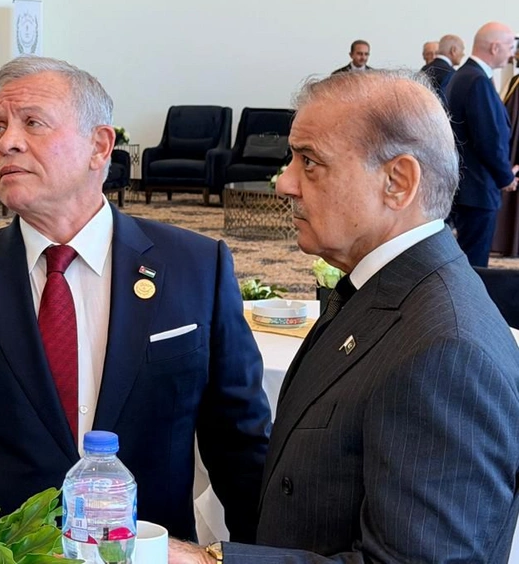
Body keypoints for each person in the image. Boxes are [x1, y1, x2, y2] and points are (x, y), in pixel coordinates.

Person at [0, 56, 272, 543]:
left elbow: (240, 447)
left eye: (33, 123)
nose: (7, 142)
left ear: (99, 146)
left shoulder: (196, 267)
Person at [170, 70, 519, 563]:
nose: (284, 182)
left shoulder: (447, 350)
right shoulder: (382, 286)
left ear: (397, 182)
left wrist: (207, 560)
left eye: (310, 162)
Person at [445, 21, 518, 267]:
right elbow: (488, 139)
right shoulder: (476, 80)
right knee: (475, 265)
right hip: (477, 190)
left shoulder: (465, 75)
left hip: (469, 187)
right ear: (495, 47)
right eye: (510, 47)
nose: (512, 54)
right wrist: (505, 177)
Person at [421, 32, 465, 99]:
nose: (463, 54)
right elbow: (445, 102)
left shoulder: (424, 69)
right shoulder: (450, 74)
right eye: (462, 50)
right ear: (453, 50)